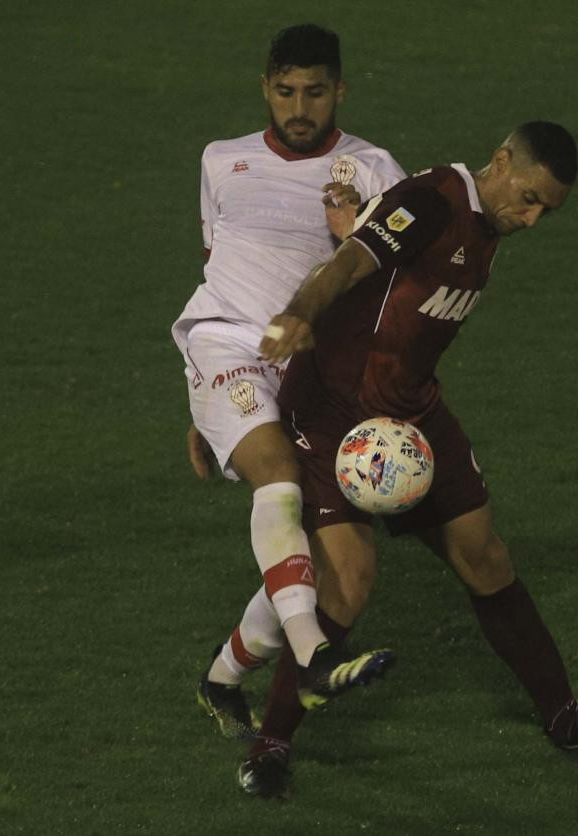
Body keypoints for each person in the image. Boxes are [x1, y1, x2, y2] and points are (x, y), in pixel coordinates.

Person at [235, 121, 578, 798]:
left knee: (485, 556)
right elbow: (347, 263)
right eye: (529, 197)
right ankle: (271, 744)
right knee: (349, 578)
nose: (533, 217)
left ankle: (565, 718)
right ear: (501, 161)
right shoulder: (432, 200)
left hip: (410, 415)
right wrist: (298, 314)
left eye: (548, 210)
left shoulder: (489, 230)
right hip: (336, 411)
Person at [171, 24, 407, 742]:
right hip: (224, 343)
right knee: (276, 477)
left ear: (340, 90)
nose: (298, 107)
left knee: (338, 568)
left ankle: (221, 676)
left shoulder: (375, 170)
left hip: (310, 372)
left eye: (314, 92)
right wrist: (209, 407)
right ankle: (313, 656)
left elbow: (397, 294)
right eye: (284, 92)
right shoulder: (222, 160)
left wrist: (349, 238)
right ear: (265, 89)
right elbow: (224, 266)